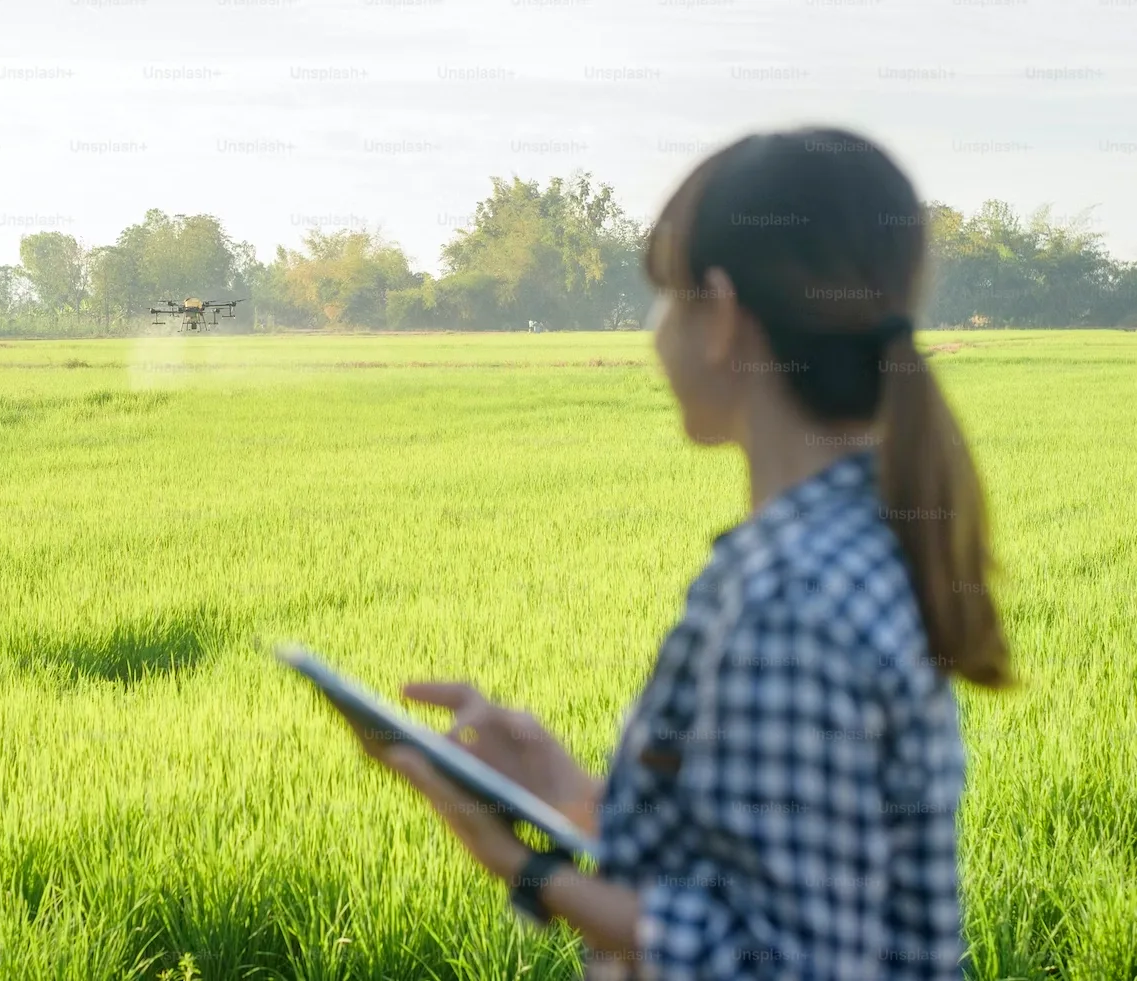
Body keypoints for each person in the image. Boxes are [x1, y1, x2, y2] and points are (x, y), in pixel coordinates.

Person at [339, 126, 1014, 980]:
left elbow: (782, 961)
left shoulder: (788, 595)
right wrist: (561, 792)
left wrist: (520, 864)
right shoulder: (847, 544)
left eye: (664, 298)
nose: (653, 334)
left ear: (722, 315)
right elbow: (759, 871)